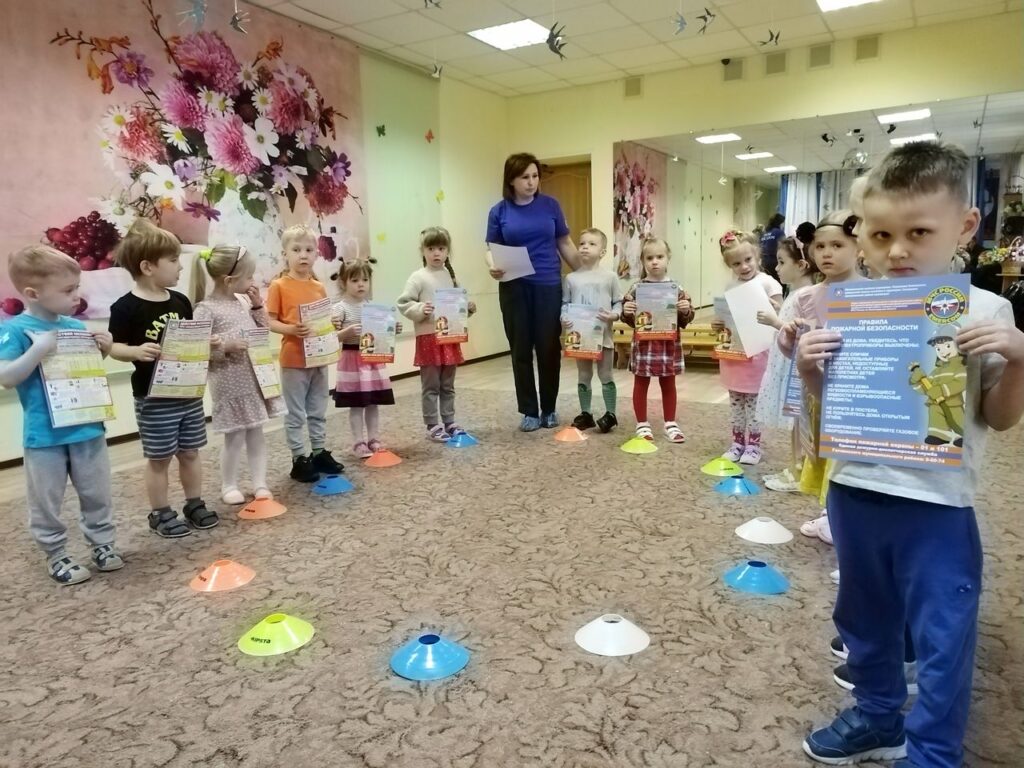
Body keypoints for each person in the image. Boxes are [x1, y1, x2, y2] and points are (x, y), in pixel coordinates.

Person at [799, 141, 1024, 768]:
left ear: (965, 226)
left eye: (918, 232)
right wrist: (810, 368)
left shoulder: (986, 309)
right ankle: (877, 716)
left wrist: (1019, 358)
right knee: (863, 615)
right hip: (854, 490)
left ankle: (932, 752)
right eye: (880, 235)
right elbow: (835, 407)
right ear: (862, 237)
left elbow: (1000, 418)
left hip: (937, 505)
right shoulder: (849, 307)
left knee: (942, 634)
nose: (897, 250)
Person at [0, 246, 123, 583]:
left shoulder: (74, 326)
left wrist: (103, 350)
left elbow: (82, 372)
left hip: (87, 428)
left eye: (77, 287)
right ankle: (56, 554)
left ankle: (102, 544)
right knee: (46, 500)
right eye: (68, 290)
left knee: (97, 492)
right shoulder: (16, 330)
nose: (76, 297)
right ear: (33, 293)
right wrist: (38, 350)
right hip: (45, 436)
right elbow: (6, 377)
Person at [109, 220, 218, 537]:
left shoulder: (180, 301)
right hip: (153, 398)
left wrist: (205, 343)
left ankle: (194, 503)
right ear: (147, 267)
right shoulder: (125, 307)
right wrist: (134, 351)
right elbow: (114, 347)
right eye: (173, 260)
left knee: (191, 452)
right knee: (159, 458)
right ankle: (160, 513)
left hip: (188, 394)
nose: (180, 267)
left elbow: (190, 340)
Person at [778, 211, 864, 546]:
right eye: (820, 246)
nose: (827, 253)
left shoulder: (875, 293)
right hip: (817, 390)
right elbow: (795, 351)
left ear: (858, 247)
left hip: (855, 393)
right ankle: (830, 512)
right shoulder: (806, 297)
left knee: (847, 456)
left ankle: (845, 517)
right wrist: (788, 339)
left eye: (838, 245)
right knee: (821, 450)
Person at [486, 152, 580, 431]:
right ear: (511, 181)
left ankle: (549, 408)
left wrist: (586, 273)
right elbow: (491, 249)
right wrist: (492, 266)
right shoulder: (499, 212)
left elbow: (565, 243)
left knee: (549, 348)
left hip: (548, 285)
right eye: (525, 177)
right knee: (521, 349)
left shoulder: (551, 205)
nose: (531, 182)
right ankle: (529, 411)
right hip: (514, 286)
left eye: (535, 176)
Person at [192, 245, 285, 504]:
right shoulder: (205, 309)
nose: (252, 282)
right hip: (229, 383)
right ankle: (229, 485)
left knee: (256, 433)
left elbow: (262, 331)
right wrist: (224, 347)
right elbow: (195, 351)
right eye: (249, 277)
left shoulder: (243, 302)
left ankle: (259, 483)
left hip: (253, 380)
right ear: (229, 280)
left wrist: (257, 306)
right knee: (234, 437)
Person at [266, 225, 345, 482]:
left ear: (316, 254)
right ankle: (299, 458)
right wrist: (290, 329)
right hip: (294, 360)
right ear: (285, 254)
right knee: (295, 412)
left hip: (319, 357)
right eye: (296, 250)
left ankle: (319, 452)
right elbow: (270, 321)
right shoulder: (278, 286)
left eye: (309, 250)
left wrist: (332, 323)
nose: (303, 255)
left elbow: (323, 320)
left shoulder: (318, 287)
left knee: (318, 408)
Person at [397, 227, 476, 442]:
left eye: (441, 248)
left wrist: (468, 308)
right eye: (431, 248)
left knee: (447, 385)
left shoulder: (451, 277)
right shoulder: (418, 277)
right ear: (423, 251)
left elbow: (458, 306)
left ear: (447, 251)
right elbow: (403, 303)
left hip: (450, 338)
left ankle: (449, 421)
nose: (436, 253)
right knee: (431, 385)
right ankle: (432, 424)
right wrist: (421, 308)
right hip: (428, 339)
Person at [756, 237, 820, 492]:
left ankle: (799, 470)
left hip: (795, 368)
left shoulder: (806, 294)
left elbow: (805, 331)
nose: (777, 268)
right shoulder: (794, 293)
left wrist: (775, 321)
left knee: (800, 419)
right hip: (786, 362)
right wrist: (779, 310)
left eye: (782, 262)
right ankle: (795, 465)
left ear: (801, 265)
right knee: (795, 420)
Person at [715, 230, 784, 464]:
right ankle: (737, 443)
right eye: (736, 263)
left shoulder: (768, 283)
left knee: (754, 403)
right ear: (729, 265)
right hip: (734, 355)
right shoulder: (730, 286)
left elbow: (781, 318)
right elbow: (727, 319)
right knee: (736, 402)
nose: (744, 267)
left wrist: (775, 310)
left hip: (759, 355)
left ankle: (753, 445)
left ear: (757, 256)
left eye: (748, 260)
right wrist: (718, 324)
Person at [620, 237, 694, 443]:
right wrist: (626, 311)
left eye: (659, 257)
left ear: (668, 258)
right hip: (644, 345)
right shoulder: (636, 288)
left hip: (668, 345)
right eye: (649, 258)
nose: (655, 262)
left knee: (668, 383)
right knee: (640, 383)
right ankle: (642, 424)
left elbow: (687, 317)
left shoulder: (676, 288)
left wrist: (685, 310)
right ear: (643, 261)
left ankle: (670, 422)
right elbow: (627, 317)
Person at [331, 261, 397, 457]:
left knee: (373, 402)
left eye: (365, 280)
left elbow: (381, 335)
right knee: (356, 404)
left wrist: (393, 329)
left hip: (372, 359)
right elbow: (331, 338)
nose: (361, 284)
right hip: (352, 359)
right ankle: (358, 442)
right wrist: (347, 332)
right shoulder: (339, 309)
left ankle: (374, 439)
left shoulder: (372, 307)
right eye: (355, 280)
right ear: (343, 282)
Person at [560, 227, 621, 433]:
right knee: (583, 375)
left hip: (604, 336)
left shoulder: (610, 277)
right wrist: (564, 317)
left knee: (606, 374)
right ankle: (586, 413)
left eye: (592, 244)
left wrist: (614, 315)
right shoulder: (571, 279)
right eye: (582, 243)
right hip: (581, 337)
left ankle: (611, 414)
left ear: (602, 252)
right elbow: (566, 304)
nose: (585, 247)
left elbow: (618, 303)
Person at [760, 212, 786, 281]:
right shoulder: (779, 232)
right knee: (778, 283)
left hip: (764, 263)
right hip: (775, 262)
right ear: (780, 223)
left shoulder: (764, 233)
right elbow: (784, 247)